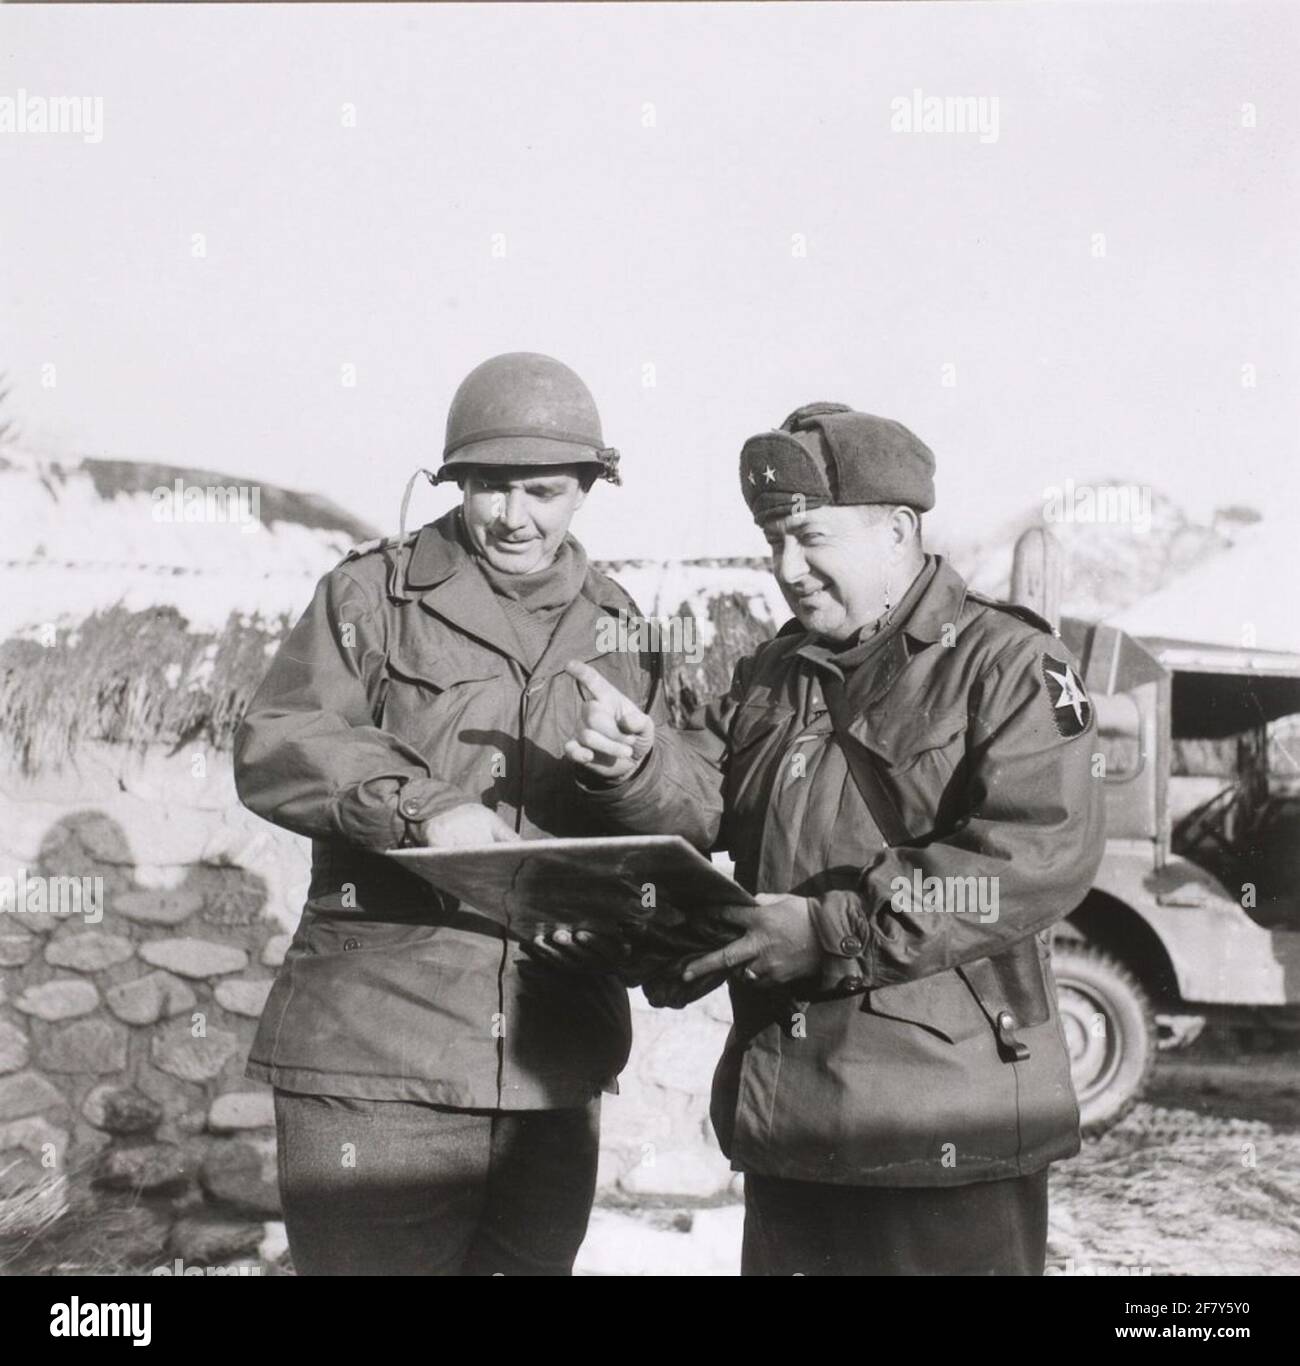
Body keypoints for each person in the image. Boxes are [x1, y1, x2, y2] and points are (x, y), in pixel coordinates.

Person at [563, 401, 1107, 1275]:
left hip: (942, 1125)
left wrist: (830, 930)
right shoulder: (777, 670)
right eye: (771, 539)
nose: (788, 568)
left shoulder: (1007, 666)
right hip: (795, 1108)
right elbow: (707, 794)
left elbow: (1028, 857)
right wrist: (635, 766)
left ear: (899, 529)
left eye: (811, 536)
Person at [234, 352, 663, 1276]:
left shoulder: (625, 624)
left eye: (544, 490)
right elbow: (276, 739)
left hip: (552, 1057)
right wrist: (423, 807)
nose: (514, 516)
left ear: (589, 486)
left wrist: (637, 772)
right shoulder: (371, 596)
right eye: (487, 488)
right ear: (455, 482)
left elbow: (683, 802)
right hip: (376, 1061)